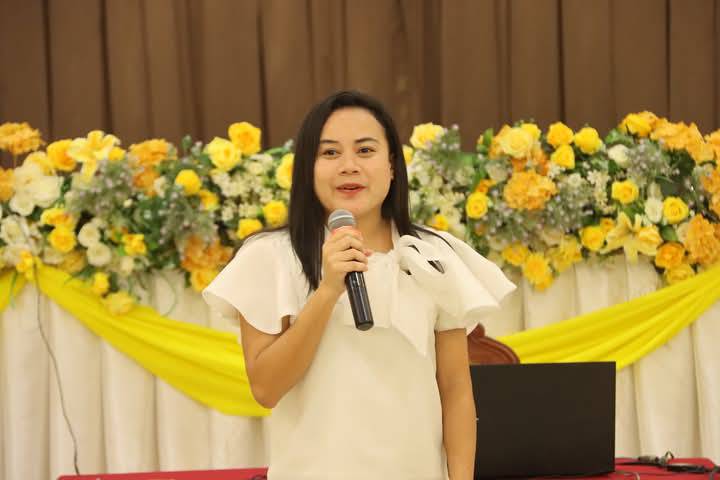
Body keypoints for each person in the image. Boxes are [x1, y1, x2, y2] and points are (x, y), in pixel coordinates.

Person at [203, 91, 515, 480]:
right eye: (330, 153)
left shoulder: (432, 255)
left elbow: (455, 390)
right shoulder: (270, 257)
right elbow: (266, 389)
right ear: (308, 168)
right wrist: (327, 290)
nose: (349, 166)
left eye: (365, 150)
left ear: (392, 165)